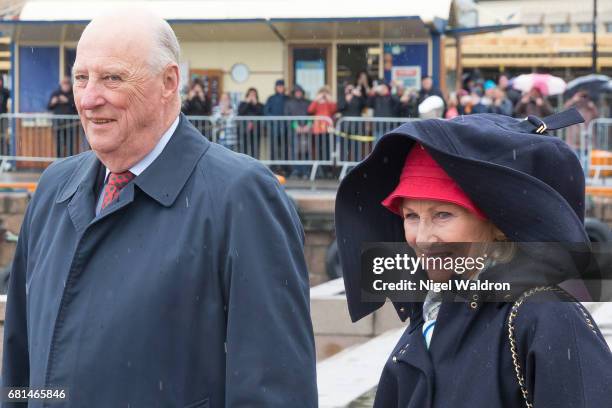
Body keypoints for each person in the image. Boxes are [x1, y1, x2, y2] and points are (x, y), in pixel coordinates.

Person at [2, 11, 317, 407]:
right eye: (81, 78)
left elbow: (275, 389)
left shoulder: (241, 197)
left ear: (169, 83)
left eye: (112, 78)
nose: (88, 98)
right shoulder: (53, 189)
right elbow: (19, 368)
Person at [335, 109, 612, 407]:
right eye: (411, 216)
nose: (423, 238)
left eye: (443, 215)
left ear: (497, 226)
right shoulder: (429, 317)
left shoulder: (548, 318)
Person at [48, 76, 79, 157]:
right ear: (61, 85)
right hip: (58, 125)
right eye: (63, 84)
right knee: (59, 144)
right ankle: (59, 161)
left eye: (67, 84)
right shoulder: (56, 93)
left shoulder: (73, 94)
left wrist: (67, 101)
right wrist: (53, 102)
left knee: (70, 145)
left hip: (71, 125)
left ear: (70, 84)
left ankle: (70, 162)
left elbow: (78, 107)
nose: (65, 86)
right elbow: (48, 106)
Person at [285, 85, 311, 178]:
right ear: (294, 93)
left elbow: (311, 115)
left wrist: (308, 125)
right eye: (297, 92)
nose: (298, 93)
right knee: (294, 152)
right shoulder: (289, 103)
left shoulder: (308, 102)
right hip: (294, 132)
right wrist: (295, 126)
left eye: (300, 92)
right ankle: (296, 170)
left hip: (307, 132)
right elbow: (287, 116)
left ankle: (306, 171)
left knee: (306, 152)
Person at [307, 85, 336, 169]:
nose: (323, 95)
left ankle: (327, 168)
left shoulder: (329, 102)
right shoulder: (316, 102)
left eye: (326, 93)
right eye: (322, 92)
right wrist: (316, 100)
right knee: (318, 150)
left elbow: (334, 110)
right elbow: (310, 110)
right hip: (317, 129)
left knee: (327, 149)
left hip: (327, 129)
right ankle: (320, 168)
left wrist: (329, 100)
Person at [237, 87, 264, 157]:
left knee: (255, 150)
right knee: (243, 150)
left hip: (256, 131)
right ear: (247, 95)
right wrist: (247, 103)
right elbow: (240, 112)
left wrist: (255, 104)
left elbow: (261, 113)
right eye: (250, 95)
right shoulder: (242, 104)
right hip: (244, 131)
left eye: (254, 95)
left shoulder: (260, 105)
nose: (252, 96)